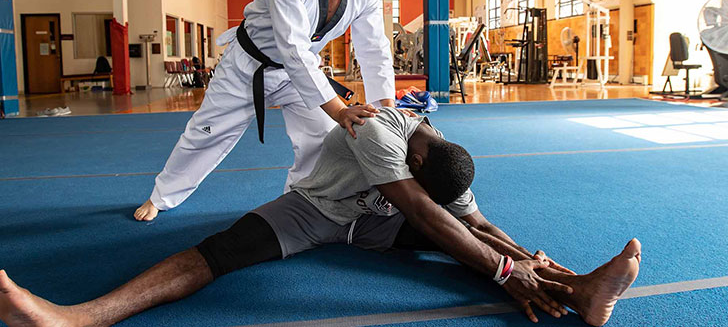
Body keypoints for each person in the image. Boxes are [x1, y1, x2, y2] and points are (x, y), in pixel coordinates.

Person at [0, 108, 641, 327]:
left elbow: (473, 220)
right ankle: (73, 318)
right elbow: (421, 209)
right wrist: (505, 271)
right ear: (412, 157)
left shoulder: (442, 156)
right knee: (218, 251)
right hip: (315, 209)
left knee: (467, 237)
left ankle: (580, 290)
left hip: (380, 221)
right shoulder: (382, 133)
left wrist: (526, 261)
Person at [134, 0, 407, 222]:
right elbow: (292, 48)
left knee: (320, 138)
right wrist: (339, 109)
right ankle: (162, 196)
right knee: (206, 134)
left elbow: (374, 50)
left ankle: (298, 202)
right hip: (247, 68)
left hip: (297, 76)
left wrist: (387, 109)